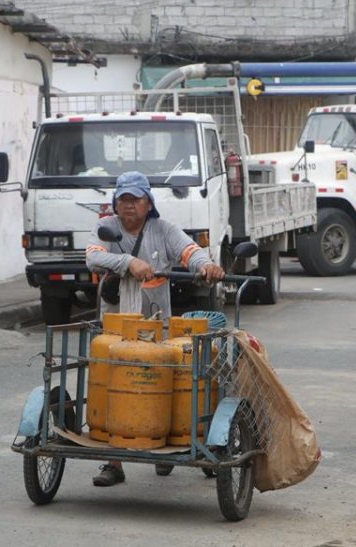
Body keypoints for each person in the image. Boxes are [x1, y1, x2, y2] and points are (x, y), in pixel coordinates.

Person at [84, 171, 225, 487]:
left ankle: (163, 441)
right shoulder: (105, 228)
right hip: (116, 327)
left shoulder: (164, 230)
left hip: (157, 325)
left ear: (149, 203)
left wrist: (205, 266)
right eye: (124, 199)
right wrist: (127, 263)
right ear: (115, 204)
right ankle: (114, 462)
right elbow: (93, 258)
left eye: (136, 199)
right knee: (112, 385)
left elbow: (190, 251)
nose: (129, 205)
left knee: (160, 382)